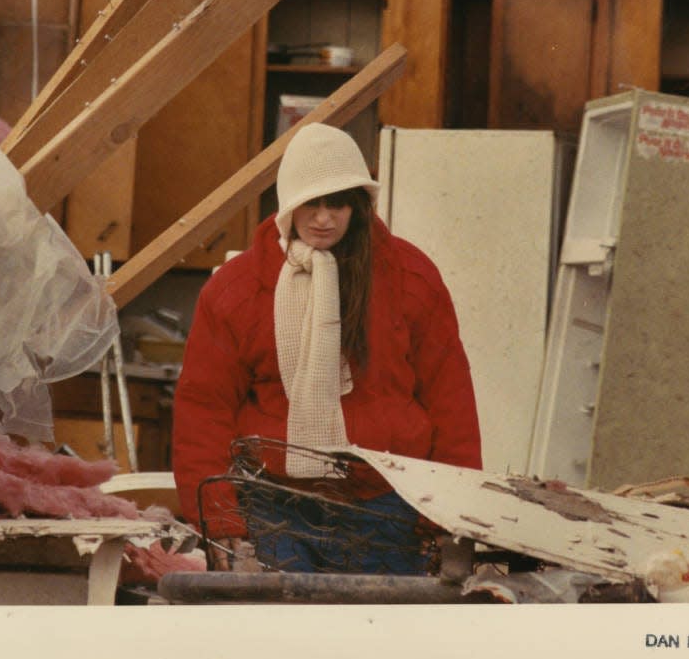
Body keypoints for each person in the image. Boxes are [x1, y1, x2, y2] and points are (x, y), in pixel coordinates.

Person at [172, 122, 482, 574]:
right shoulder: (236, 290)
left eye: (337, 203)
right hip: (275, 509)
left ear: (359, 205)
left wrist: (450, 519)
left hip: (388, 508)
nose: (324, 218)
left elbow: (450, 399)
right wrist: (221, 523)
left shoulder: (410, 279)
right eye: (310, 203)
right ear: (287, 207)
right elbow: (204, 409)